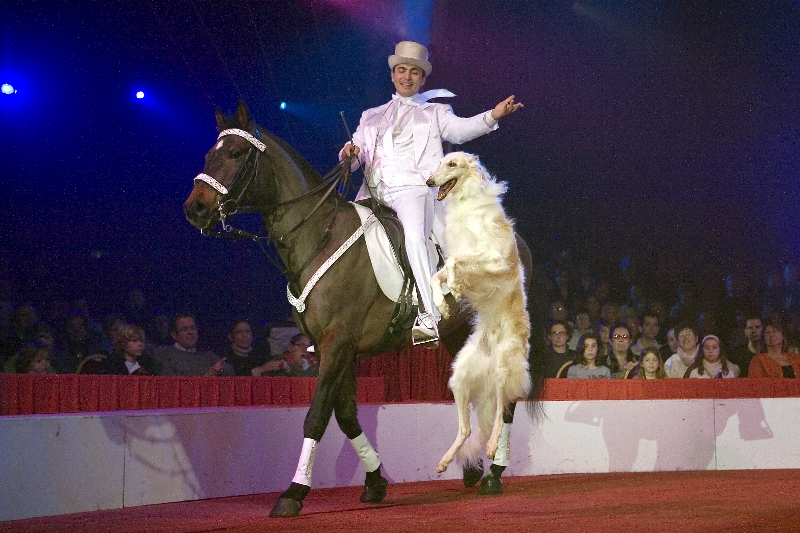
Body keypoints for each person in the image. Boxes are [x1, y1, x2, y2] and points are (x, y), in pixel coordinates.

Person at [340, 40, 523, 344]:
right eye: (402, 70)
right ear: (393, 75)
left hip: (413, 190)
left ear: (422, 79)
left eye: (414, 72)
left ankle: (428, 314)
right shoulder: (370, 116)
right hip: (373, 192)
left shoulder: (435, 111)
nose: (407, 77)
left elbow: (461, 131)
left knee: (414, 237)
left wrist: (493, 115)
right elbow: (356, 152)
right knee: (341, 236)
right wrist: (350, 152)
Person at [153, 313, 234, 376]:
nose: (190, 332)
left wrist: (220, 370)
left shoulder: (207, 355)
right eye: (184, 329)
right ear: (174, 335)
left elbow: (231, 371)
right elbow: (169, 381)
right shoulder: (163, 353)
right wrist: (204, 379)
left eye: (193, 328)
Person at [221, 318, 287, 377]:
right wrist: (261, 369)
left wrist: (280, 366)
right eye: (239, 332)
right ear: (231, 336)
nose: (244, 335)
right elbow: (235, 379)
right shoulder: (225, 356)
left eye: (248, 331)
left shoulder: (260, 353)